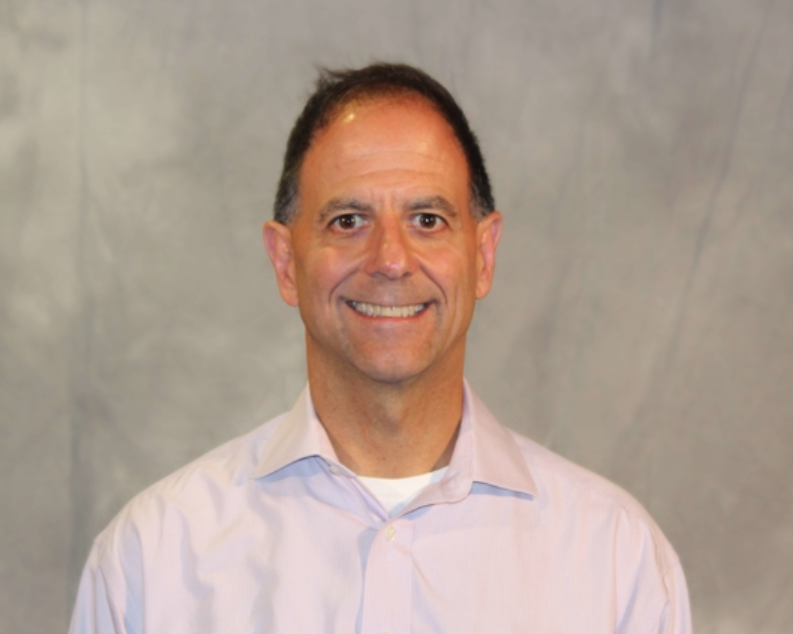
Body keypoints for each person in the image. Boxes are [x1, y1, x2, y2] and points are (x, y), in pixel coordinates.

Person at [69, 63, 692, 633]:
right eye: (348, 221)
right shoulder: (150, 563)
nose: (391, 260)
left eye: (428, 220)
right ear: (286, 263)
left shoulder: (617, 562)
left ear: (484, 254)